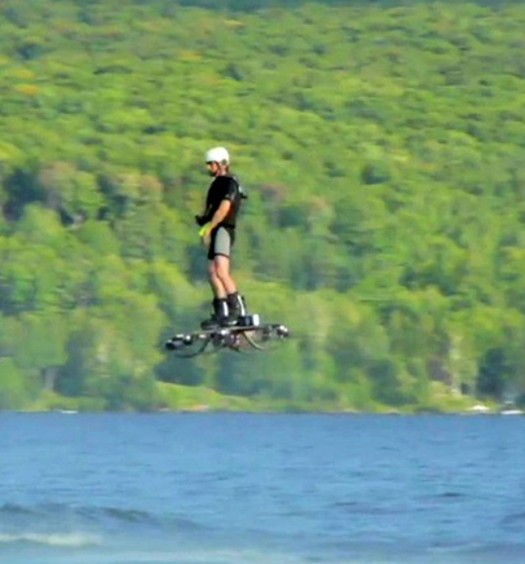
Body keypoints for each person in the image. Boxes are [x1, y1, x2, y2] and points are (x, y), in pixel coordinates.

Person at [195, 146, 247, 328]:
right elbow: (211, 209)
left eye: (211, 164)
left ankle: (237, 310)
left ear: (222, 164)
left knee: (221, 271)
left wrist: (210, 228)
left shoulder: (229, 183)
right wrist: (204, 221)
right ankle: (222, 312)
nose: (208, 168)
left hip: (224, 229)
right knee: (212, 272)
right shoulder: (216, 184)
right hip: (216, 229)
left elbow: (224, 208)